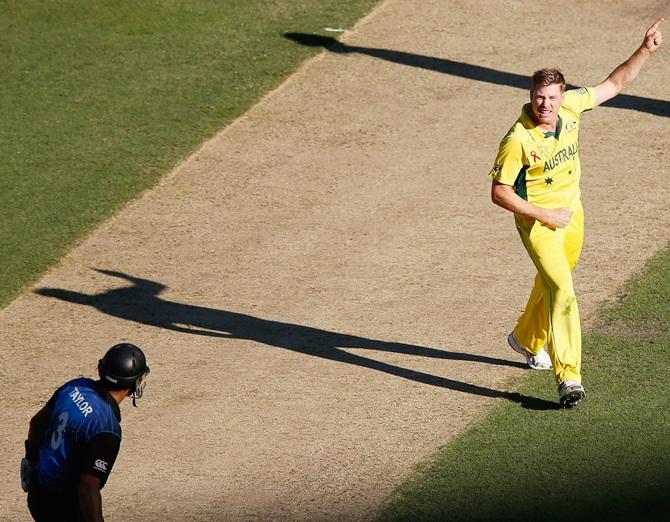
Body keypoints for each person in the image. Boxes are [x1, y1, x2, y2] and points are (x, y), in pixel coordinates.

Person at [489, 19, 664, 407]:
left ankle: (526, 338)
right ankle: (569, 378)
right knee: (564, 292)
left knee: (555, 281)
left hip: (573, 213)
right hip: (538, 223)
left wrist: (645, 50)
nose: (545, 104)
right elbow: (499, 193)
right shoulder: (517, 140)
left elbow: (614, 84)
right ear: (531, 96)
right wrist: (544, 216)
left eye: (551, 97)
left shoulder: (571, 107)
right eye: (539, 97)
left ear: (561, 94)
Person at [21, 343, 150, 521]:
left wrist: (30, 461)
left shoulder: (74, 386)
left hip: (38, 494)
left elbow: (36, 423)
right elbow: (88, 487)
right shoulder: (107, 429)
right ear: (133, 384)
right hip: (64, 507)